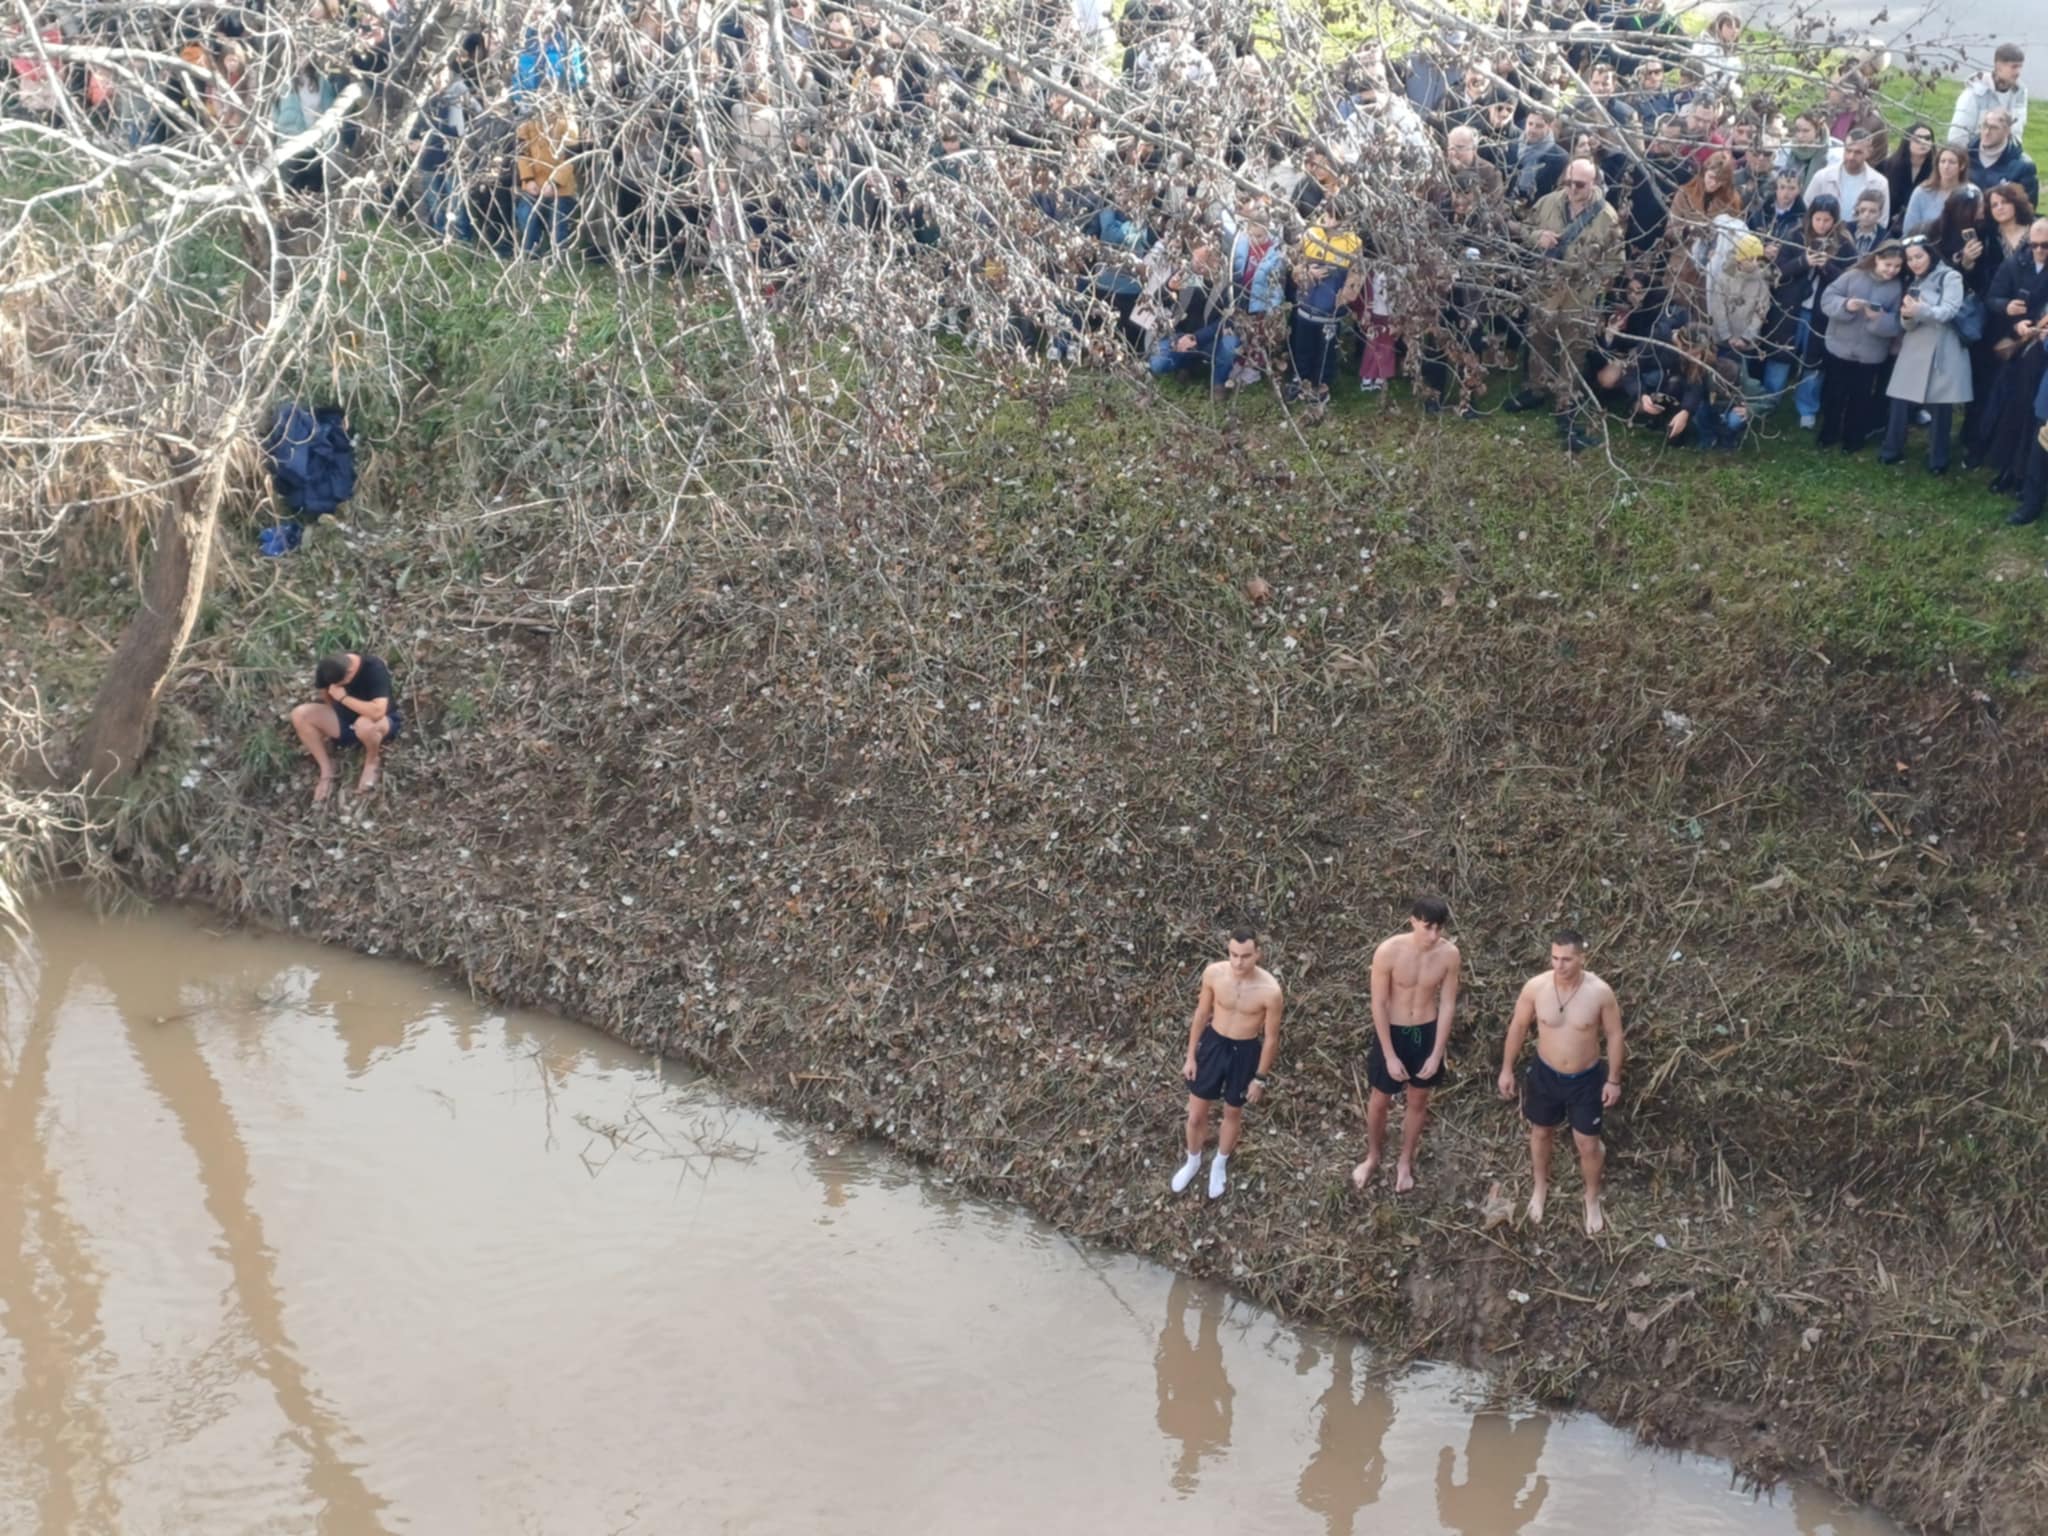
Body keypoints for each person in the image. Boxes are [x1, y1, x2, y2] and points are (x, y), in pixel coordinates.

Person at [1495, 929, 1625, 1235]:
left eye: (1567, 959)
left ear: (1582, 958)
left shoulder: (1600, 992)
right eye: (1554, 957)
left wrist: (1614, 1080)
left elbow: (1615, 1035)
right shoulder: (1536, 987)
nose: (1559, 965)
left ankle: (1591, 1198)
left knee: (1588, 1144)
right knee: (1541, 1132)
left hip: (1585, 1078)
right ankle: (1540, 1187)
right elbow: (1518, 1027)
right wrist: (1506, 1069)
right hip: (1545, 1075)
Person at [1508, 157, 1624, 451]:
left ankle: (1565, 402)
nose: (1572, 188)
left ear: (1593, 184)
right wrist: (1537, 237)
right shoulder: (1547, 202)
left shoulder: (1607, 217)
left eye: (1580, 184)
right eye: (1569, 182)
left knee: (1574, 352)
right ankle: (1536, 389)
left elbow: (1615, 263)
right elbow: (1520, 229)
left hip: (1578, 296)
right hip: (1546, 288)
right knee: (1539, 341)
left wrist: (1590, 287)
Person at [1351, 897, 1461, 1194]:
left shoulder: (1449, 955)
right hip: (1395, 1030)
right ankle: (1373, 1155)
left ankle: (1404, 1161)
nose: (1434, 936)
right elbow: (1379, 1002)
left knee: (1418, 1099)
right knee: (1380, 1099)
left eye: (1439, 929)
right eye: (1428, 928)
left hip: (1424, 1031)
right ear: (1413, 921)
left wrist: (1437, 1052)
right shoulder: (1389, 951)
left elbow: (1448, 1005)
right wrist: (1388, 1054)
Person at [1173, 928, 1284, 1200]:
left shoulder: (1270, 991)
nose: (1238, 962)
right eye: (1233, 954)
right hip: (1213, 1045)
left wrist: (1260, 1078)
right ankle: (1193, 1160)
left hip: (1244, 1051)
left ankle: (1219, 1163)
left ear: (1257, 953)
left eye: (1245, 956)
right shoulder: (1214, 974)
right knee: (1197, 1114)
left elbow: (1271, 1039)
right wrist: (1190, 1056)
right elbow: (1201, 1014)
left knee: (1232, 1112)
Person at [1881, 235, 1972, 473]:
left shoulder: (1951, 276)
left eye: (1918, 256)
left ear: (1930, 253)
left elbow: (1949, 311)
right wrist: (1908, 315)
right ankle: (1891, 449)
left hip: (1944, 348)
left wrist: (1919, 309)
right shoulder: (1914, 281)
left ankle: (1938, 460)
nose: (1914, 262)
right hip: (1914, 348)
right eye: (1910, 259)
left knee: (1941, 407)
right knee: (1900, 400)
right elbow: (1909, 324)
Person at [1817, 240, 1906, 452]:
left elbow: (1898, 324)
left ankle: (1853, 439)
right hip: (1840, 348)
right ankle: (1828, 433)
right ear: (1877, 259)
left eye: (1897, 266)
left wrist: (1879, 319)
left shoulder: (1896, 288)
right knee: (1834, 395)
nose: (1892, 270)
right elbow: (1828, 298)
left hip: (1870, 354)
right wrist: (1846, 305)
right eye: (1888, 265)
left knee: (1860, 399)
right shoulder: (1852, 276)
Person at [291, 651, 402, 803]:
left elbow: (378, 711)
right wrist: (335, 712)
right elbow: (326, 695)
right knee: (300, 714)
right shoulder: (327, 668)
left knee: (364, 725)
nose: (336, 686)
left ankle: (371, 761)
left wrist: (343, 698)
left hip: (379, 722)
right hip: (344, 721)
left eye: (340, 684)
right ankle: (326, 769)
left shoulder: (373, 667)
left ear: (349, 673)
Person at [1806, 130, 1889, 232]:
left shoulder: (1879, 183)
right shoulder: (1822, 177)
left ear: (1869, 152)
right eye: (1848, 150)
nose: (1851, 157)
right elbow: (1807, 210)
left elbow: (1882, 221)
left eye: (1858, 152)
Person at [1948, 43, 2028, 149]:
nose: (2018, 72)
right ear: (1999, 66)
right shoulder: (1974, 94)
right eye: (2014, 67)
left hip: (2004, 158)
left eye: (2020, 67)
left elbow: (2016, 134)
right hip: (1975, 158)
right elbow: (1957, 138)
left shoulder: (2019, 93)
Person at [1966, 110, 2038, 209]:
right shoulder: (1965, 156)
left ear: (2007, 131)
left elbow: (2028, 209)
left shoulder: (2023, 166)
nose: (1987, 132)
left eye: (1994, 128)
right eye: (1984, 126)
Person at [1903, 145, 1970, 237]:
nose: (1946, 166)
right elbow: (1908, 229)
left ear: (1962, 166)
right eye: (1942, 161)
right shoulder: (1922, 192)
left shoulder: (1970, 194)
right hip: (1922, 246)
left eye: (1952, 162)